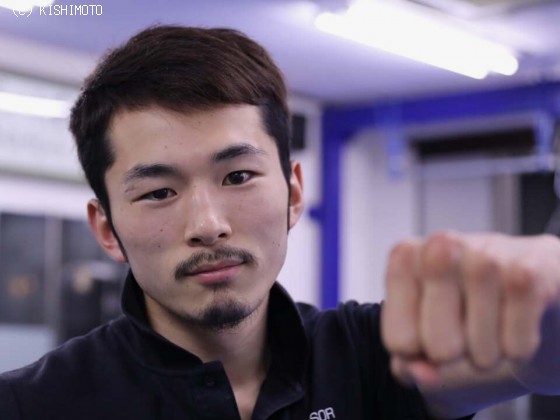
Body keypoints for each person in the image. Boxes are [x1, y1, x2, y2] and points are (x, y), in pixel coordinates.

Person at [1, 25, 560, 420]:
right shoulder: (31, 405)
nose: (208, 224)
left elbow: (544, 360)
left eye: (238, 176)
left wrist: (547, 284)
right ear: (106, 229)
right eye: (159, 192)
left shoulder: (371, 357)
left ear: (293, 194)